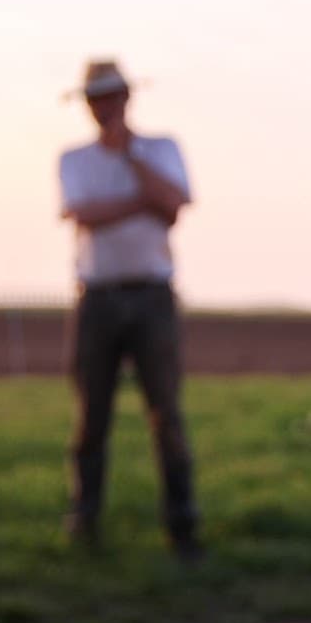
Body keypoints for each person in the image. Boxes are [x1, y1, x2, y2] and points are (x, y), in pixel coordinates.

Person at [58, 58, 202, 560]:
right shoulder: (72, 160)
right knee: (91, 418)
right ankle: (84, 522)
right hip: (97, 298)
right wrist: (146, 200)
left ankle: (183, 528)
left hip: (152, 298)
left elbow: (178, 203)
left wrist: (131, 161)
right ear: (89, 104)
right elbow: (85, 215)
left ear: (126, 98)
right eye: (97, 98)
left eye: (112, 96)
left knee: (167, 414)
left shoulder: (160, 148)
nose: (106, 106)